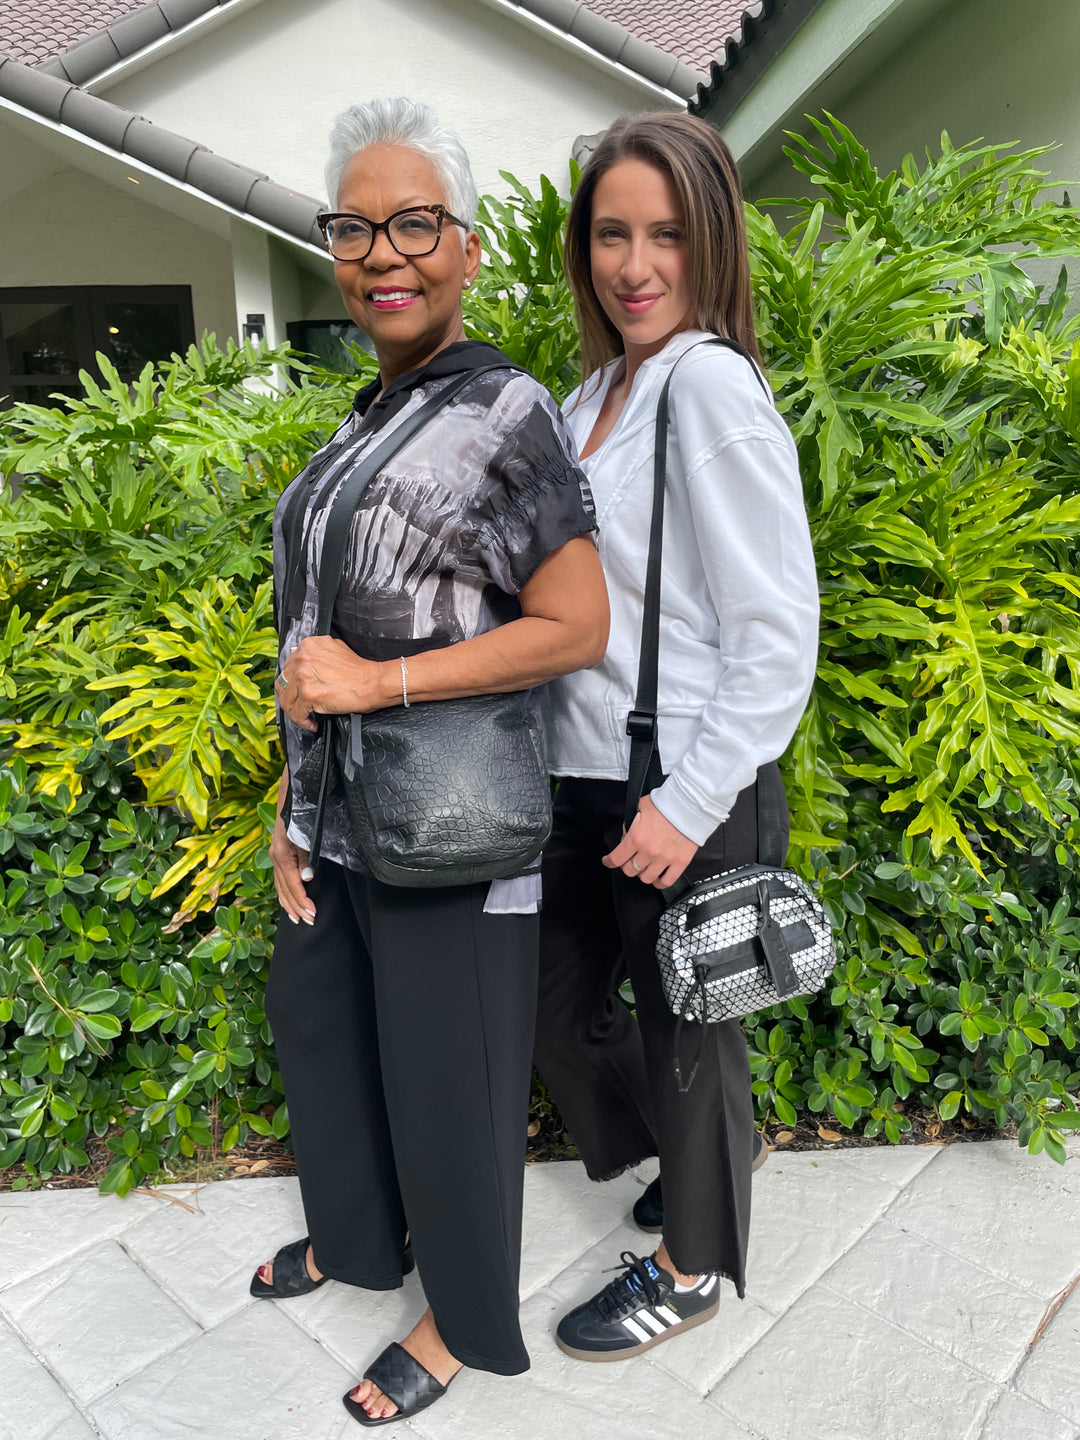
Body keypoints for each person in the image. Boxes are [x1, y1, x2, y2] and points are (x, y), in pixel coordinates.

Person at [253, 97, 608, 1425]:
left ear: (462, 249)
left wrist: (380, 682)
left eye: (414, 223)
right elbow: (309, 630)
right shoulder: (366, 415)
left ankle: (462, 1321)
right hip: (341, 813)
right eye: (355, 226)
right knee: (329, 1035)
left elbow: (576, 625)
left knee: (449, 1075)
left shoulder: (505, 410)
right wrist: (293, 797)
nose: (381, 251)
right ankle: (357, 1244)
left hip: (452, 816)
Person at [534, 111, 819, 1361]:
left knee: (693, 1033)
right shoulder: (590, 392)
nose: (635, 263)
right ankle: (700, 1161)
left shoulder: (706, 384)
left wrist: (691, 802)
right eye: (611, 233)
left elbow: (778, 633)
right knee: (559, 1011)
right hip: (578, 769)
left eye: (665, 234)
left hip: (681, 781)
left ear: (710, 244)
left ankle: (694, 1265)